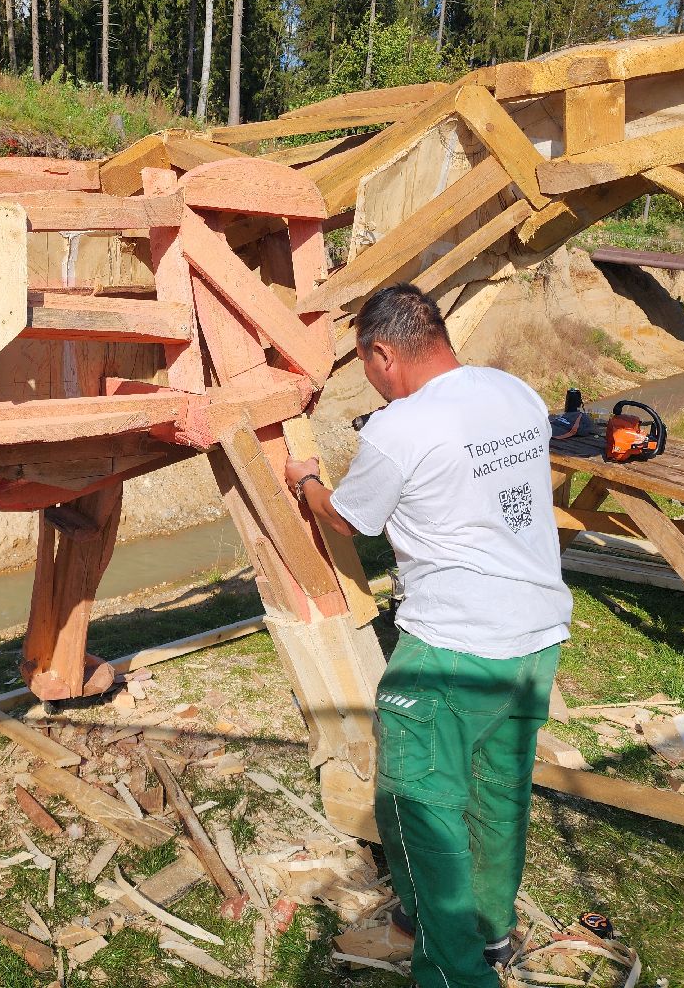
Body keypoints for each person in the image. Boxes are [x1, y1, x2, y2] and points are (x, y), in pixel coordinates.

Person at [285, 284, 571, 988]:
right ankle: (490, 932)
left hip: (454, 646)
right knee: (498, 790)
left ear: (383, 352)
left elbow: (351, 520)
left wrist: (306, 480)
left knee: (420, 808)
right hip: (536, 635)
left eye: (367, 366)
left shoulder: (399, 429)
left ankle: (451, 972)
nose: (375, 383)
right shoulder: (514, 393)